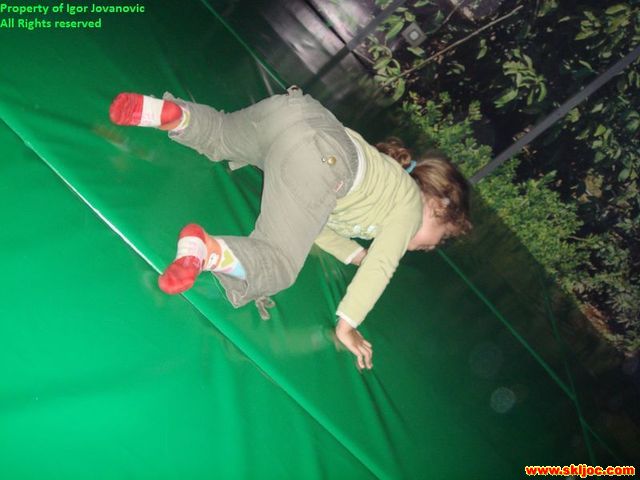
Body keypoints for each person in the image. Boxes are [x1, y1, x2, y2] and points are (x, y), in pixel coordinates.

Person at [109, 86, 472, 370]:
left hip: (292, 113)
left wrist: (352, 253)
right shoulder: (409, 210)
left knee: (219, 133)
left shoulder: (383, 185)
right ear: (437, 206)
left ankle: (169, 114)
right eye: (435, 241)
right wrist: (347, 325)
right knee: (279, 263)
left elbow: (315, 220)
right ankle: (207, 251)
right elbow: (382, 267)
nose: (425, 247)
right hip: (322, 159)